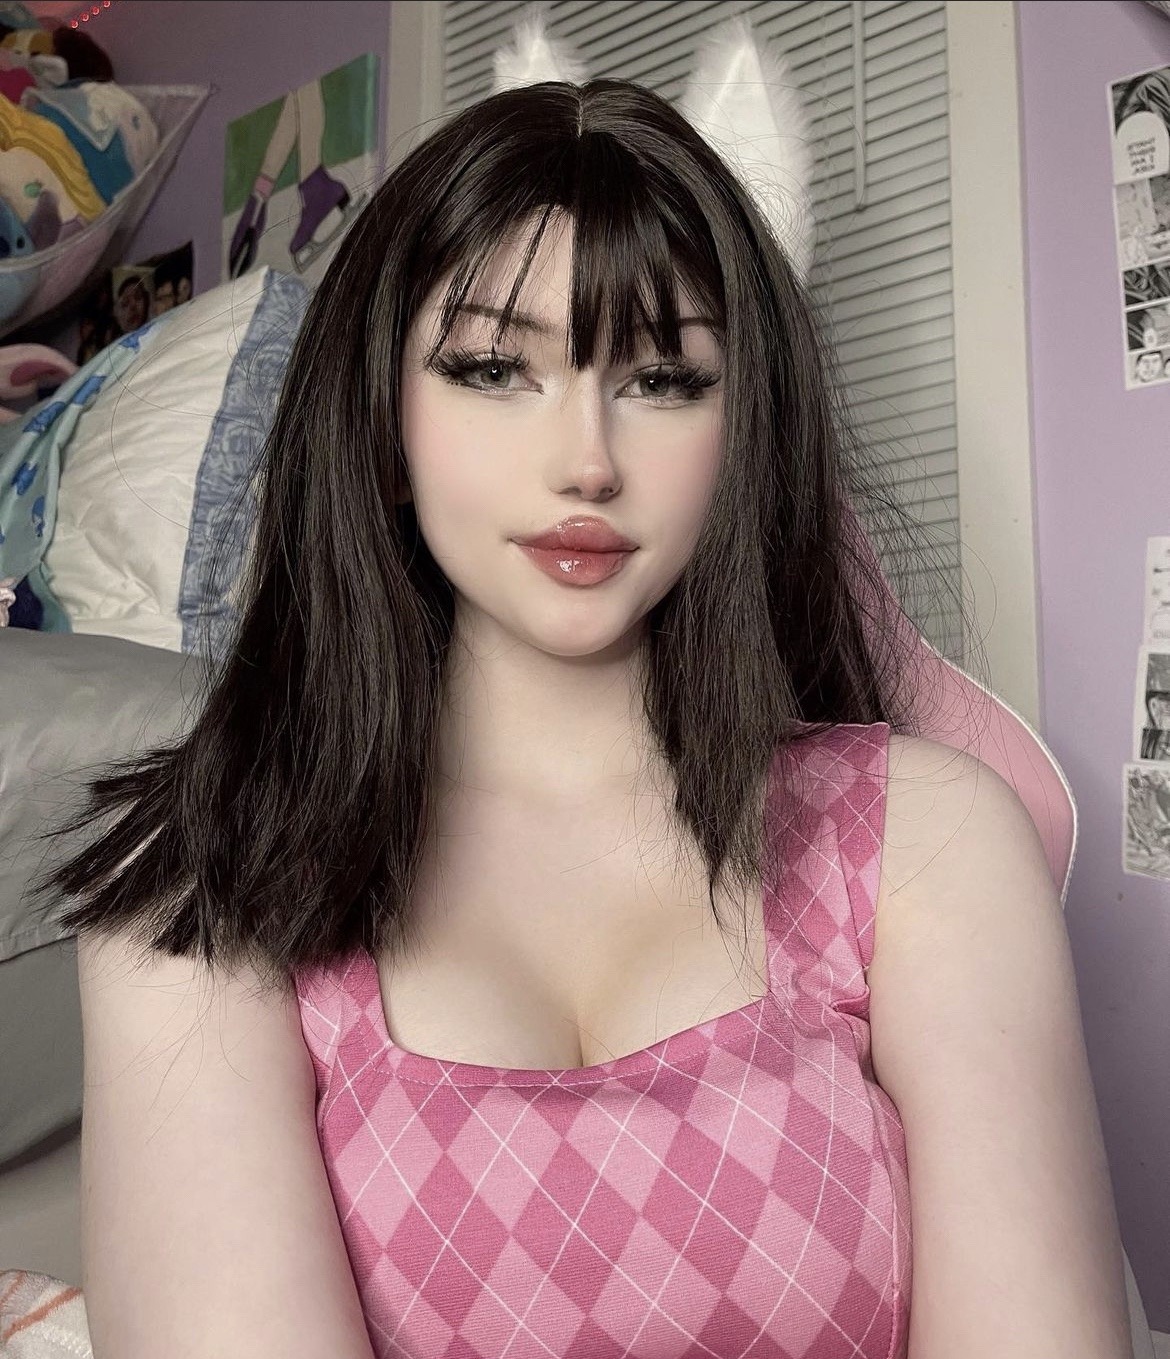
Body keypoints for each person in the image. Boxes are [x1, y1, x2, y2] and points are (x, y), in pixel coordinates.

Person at [40, 17, 1132, 1359]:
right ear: (380, 422)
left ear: (742, 432)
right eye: (494, 369)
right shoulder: (192, 879)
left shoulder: (931, 836)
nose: (587, 460)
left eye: (663, 378)